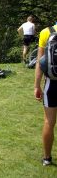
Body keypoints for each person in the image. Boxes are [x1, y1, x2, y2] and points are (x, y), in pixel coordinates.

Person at [34, 22, 57, 166]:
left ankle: (47, 158)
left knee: (49, 122)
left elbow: (39, 62)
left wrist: (37, 86)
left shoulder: (46, 32)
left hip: (52, 83)